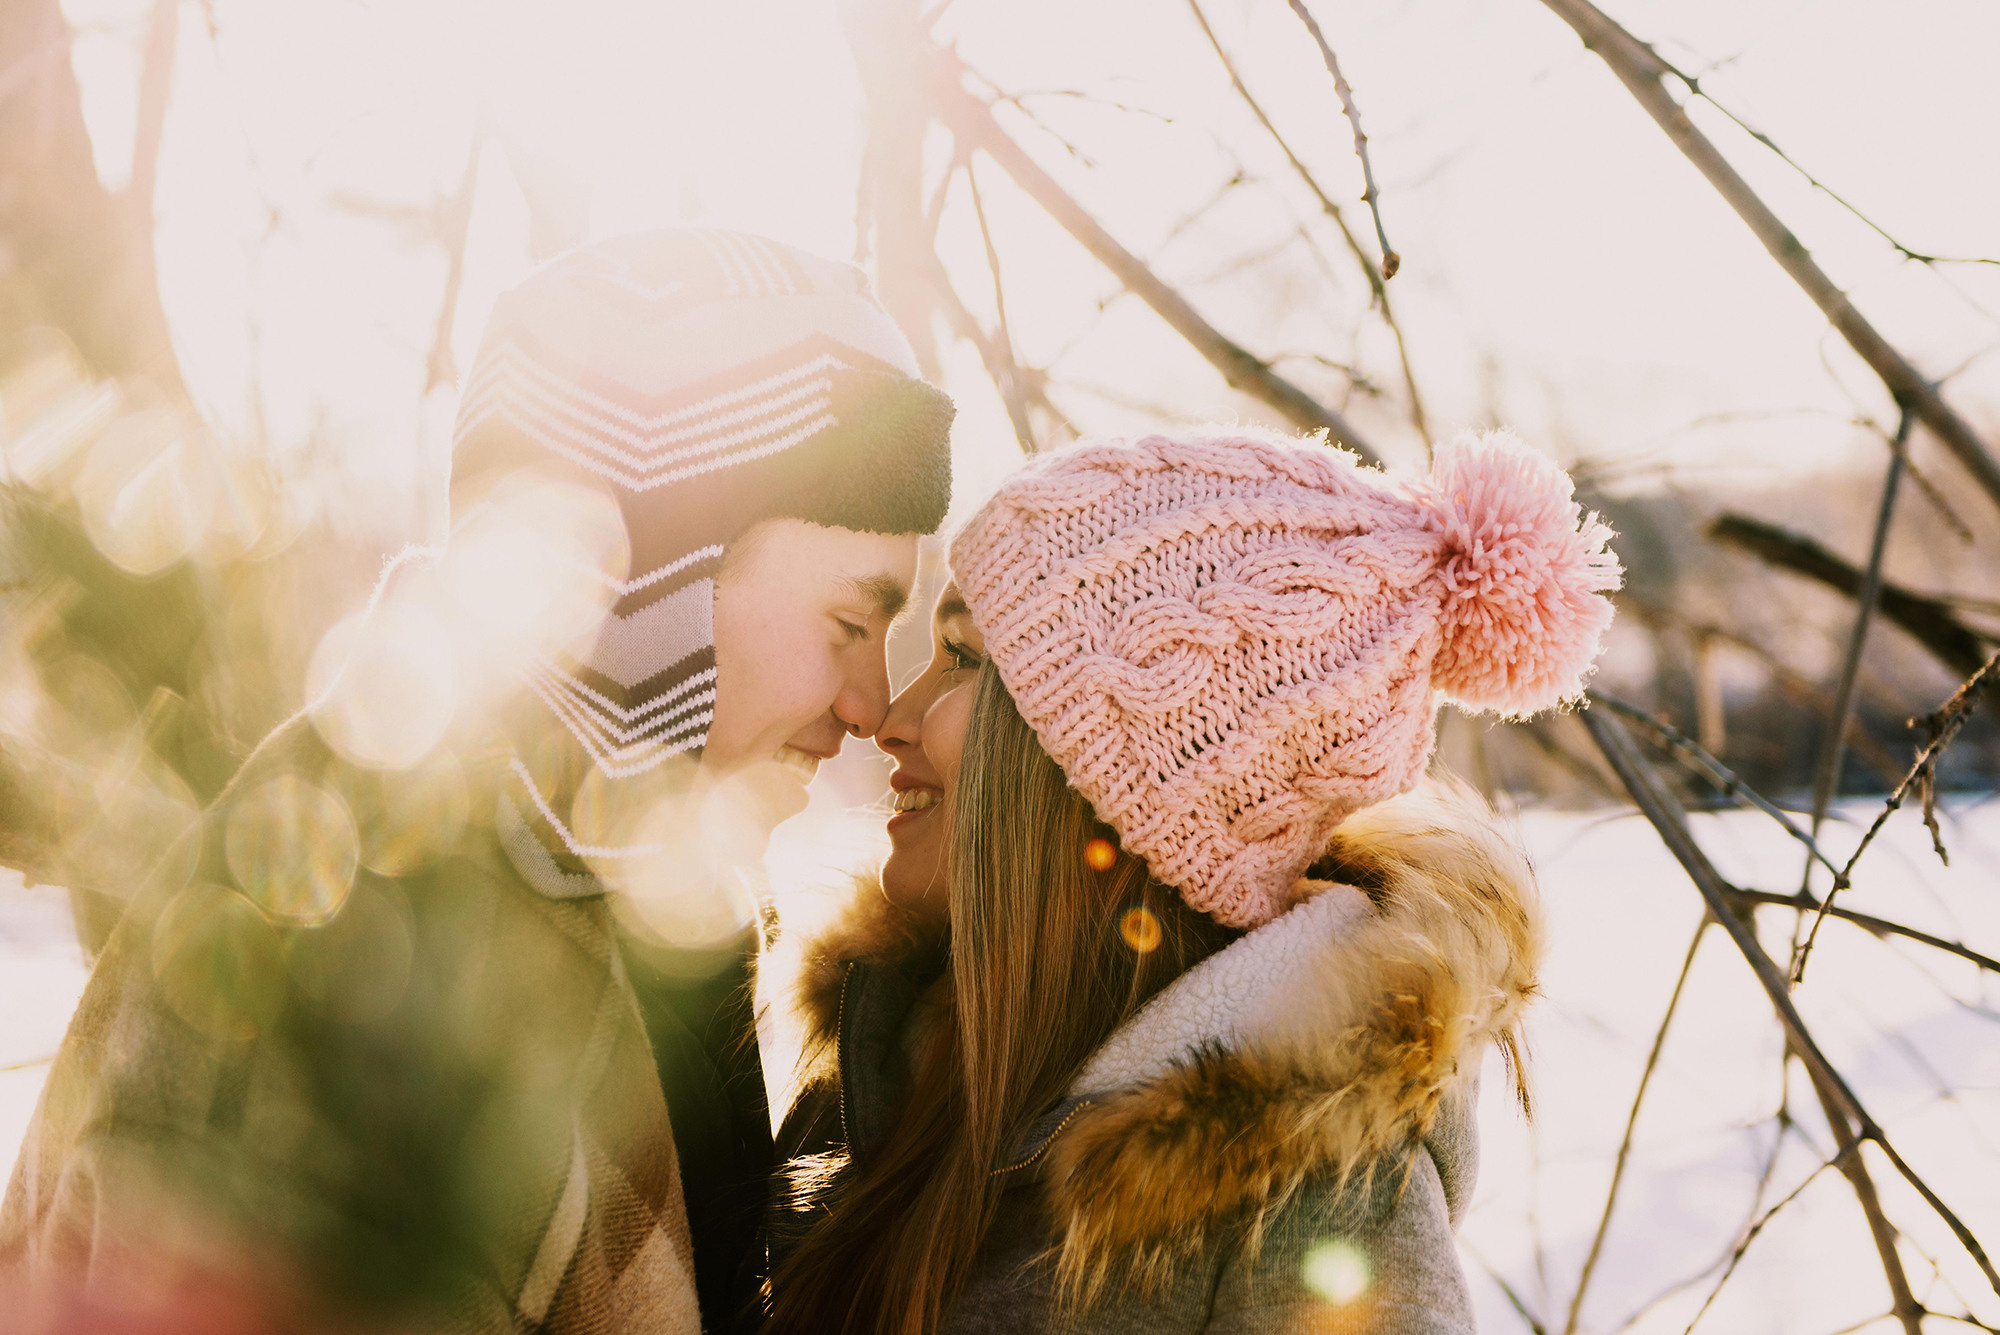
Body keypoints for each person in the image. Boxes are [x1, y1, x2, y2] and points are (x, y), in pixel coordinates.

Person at [0, 229, 953, 1335]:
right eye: (849, 620)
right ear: (658, 578)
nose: (871, 704)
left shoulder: (612, 898)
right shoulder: (363, 941)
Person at [762, 427, 1621, 1333]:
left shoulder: (1312, 1212)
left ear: (1115, 780)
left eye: (965, 658)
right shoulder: (881, 1064)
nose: (890, 718)